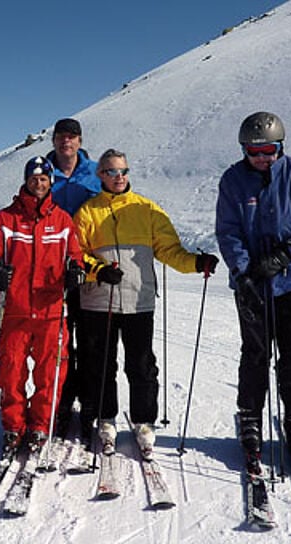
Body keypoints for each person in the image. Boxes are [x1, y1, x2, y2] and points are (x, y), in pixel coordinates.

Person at [73, 149, 219, 455]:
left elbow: (169, 251)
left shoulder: (146, 209)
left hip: (139, 301)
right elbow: (75, 256)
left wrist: (196, 263)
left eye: (124, 171)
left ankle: (143, 421)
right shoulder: (87, 212)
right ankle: (105, 418)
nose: (119, 177)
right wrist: (98, 271)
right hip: (99, 302)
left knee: (141, 365)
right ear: (100, 175)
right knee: (101, 365)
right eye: (112, 172)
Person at [215, 112, 291, 478]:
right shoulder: (233, 180)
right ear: (244, 150)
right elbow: (228, 230)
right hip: (252, 285)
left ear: (281, 147)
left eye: (269, 150)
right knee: (255, 354)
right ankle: (250, 417)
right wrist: (244, 269)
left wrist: (285, 253)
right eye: (254, 151)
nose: (262, 158)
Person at [0, 156, 85, 455]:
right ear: (26, 181)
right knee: (11, 371)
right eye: (33, 178)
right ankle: (14, 426)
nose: (38, 184)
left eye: (43, 179)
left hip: (52, 311)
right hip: (14, 310)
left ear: (50, 182)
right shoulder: (6, 218)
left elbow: (74, 255)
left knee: (49, 373)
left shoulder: (62, 220)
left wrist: (75, 269)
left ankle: (40, 425)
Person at [45, 118, 102, 439]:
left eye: (72, 136)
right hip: (52, 274)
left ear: (79, 141)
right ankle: (63, 404)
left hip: (88, 269)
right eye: (61, 136)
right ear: (53, 140)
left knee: (91, 341)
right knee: (60, 343)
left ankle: (91, 406)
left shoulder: (94, 173)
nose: (66, 142)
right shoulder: (42, 173)